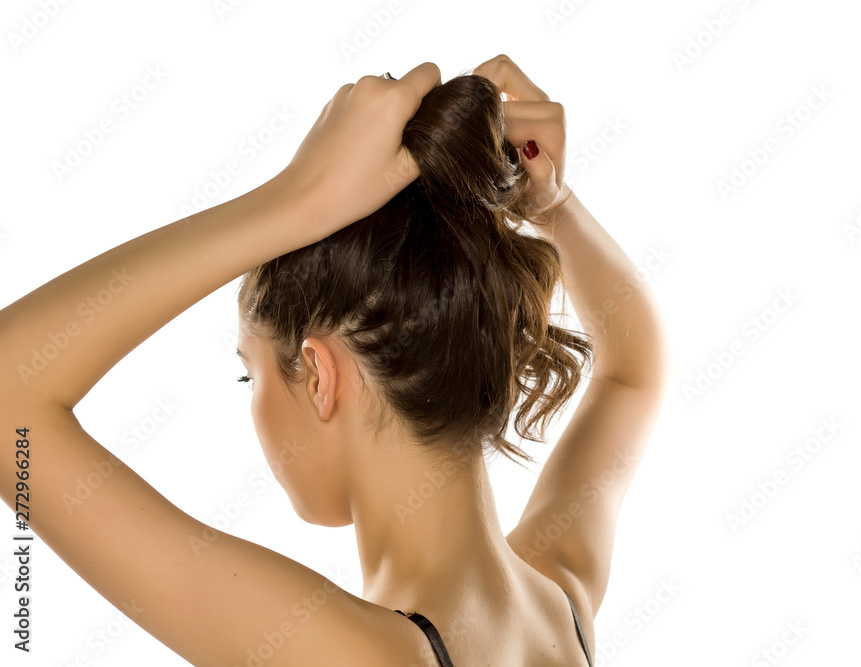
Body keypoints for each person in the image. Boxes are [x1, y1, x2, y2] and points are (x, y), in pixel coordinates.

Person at [0, 54, 668, 665]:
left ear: (319, 376)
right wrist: (553, 205)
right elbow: (632, 372)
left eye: (250, 373)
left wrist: (298, 200)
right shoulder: (561, 606)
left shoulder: (356, 653)